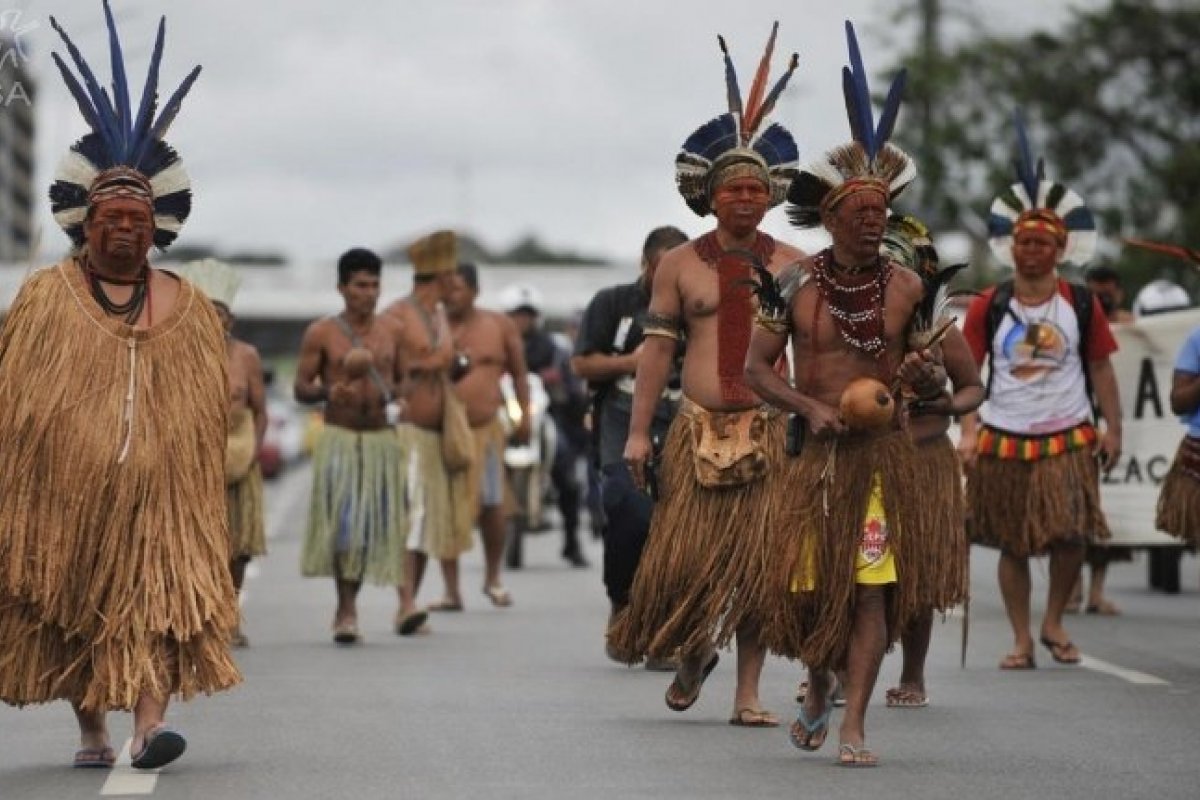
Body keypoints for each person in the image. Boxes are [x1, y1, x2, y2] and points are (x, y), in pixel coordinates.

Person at [0, 6, 236, 770]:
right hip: (69, 496)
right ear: (85, 223)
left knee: (159, 607)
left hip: (163, 500)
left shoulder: (193, 309)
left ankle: (147, 728)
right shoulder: (43, 299)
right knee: (79, 610)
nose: (125, 229)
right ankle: (95, 730)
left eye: (138, 217)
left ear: (157, 224)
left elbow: (210, 407)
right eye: (111, 217)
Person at [745, 21, 929, 766]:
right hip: (810, 462)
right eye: (860, 210)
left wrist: (926, 378)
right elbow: (758, 370)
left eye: (881, 209)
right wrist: (809, 405)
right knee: (803, 597)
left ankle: (853, 724)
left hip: (876, 467)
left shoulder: (909, 285)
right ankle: (817, 684)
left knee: (871, 595)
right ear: (831, 217)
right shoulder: (794, 283)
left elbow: (933, 366)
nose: (873, 218)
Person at [609, 23, 803, 729]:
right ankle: (694, 651)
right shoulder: (680, 264)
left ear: (769, 196)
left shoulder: (793, 266)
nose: (745, 199)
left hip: (769, 430)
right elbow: (655, 353)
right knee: (690, 566)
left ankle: (748, 694)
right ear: (711, 196)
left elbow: (807, 351)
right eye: (733, 190)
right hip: (694, 432)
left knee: (757, 570)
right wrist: (637, 435)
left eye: (756, 189)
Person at [958, 113, 1122, 672]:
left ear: (1059, 249)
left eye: (1042, 243)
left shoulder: (1081, 303)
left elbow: (1101, 369)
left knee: (1072, 532)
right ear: (1011, 247)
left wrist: (1113, 428)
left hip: (1070, 431)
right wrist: (971, 430)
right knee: (1012, 542)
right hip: (1005, 433)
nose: (1032, 251)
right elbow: (968, 373)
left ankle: (1055, 620)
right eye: (1023, 241)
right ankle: (1022, 637)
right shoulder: (989, 302)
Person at [571, 225, 689, 670]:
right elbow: (582, 363)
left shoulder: (697, 303)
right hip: (622, 416)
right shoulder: (613, 304)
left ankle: (665, 631)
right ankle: (623, 603)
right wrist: (633, 361)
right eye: (661, 270)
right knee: (627, 508)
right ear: (646, 264)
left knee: (676, 520)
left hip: (683, 416)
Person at [878, 216, 983, 709]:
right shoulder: (846, 321)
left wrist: (944, 404)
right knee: (852, 569)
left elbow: (972, 388)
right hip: (863, 456)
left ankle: (913, 676)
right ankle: (834, 667)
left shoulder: (936, 327)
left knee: (915, 573)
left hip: (924, 459)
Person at [295, 248, 409, 645]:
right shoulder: (321, 332)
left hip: (380, 440)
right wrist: (330, 391)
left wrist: (398, 396)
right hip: (340, 439)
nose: (370, 293)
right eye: (361, 285)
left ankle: (372, 603)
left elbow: (404, 381)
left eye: (375, 285)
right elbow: (300, 387)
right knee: (345, 528)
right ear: (342, 287)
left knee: (370, 529)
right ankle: (346, 610)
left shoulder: (393, 330)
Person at [384, 230, 476, 625]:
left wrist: (454, 363)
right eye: (453, 275)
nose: (458, 283)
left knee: (426, 523)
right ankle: (404, 603)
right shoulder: (396, 315)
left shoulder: (437, 315)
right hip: (407, 431)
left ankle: (411, 603)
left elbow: (444, 362)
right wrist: (426, 365)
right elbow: (385, 370)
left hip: (436, 432)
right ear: (439, 277)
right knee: (412, 518)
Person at [181, 259, 268, 649]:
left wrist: (251, 453)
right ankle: (198, 617)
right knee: (196, 546)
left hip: (240, 460)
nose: (213, 321)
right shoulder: (179, 355)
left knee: (238, 548)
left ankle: (229, 615)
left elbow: (260, 410)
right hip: (193, 464)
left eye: (219, 314)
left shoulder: (247, 356)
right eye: (205, 313)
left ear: (230, 320)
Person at [438, 262, 532, 610]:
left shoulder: (499, 325)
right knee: (447, 507)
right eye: (446, 289)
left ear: (474, 291)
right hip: (444, 430)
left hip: (486, 428)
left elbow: (520, 374)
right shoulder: (433, 326)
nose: (450, 296)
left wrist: (525, 414)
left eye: (457, 288)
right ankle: (451, 590)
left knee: (492, 505)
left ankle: (493, 577)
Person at [1060, 265, 1135, 615]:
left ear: (1119, 291)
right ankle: (1071, 590)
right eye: (1096, 288)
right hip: (1075, 425)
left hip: (1110, 424)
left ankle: (1095, 592)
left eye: (1109, 288)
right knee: (1070, 513)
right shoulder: (1074, 316)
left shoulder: (1129, 324)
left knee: (1102, 514)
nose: (1103, 294)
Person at [503, 284, 591, 567]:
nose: (522, 320)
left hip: (545, 417)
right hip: (504, 417)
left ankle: (572, 542)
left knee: (566, 469)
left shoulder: (553, 349)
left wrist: (562, 386)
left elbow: (572, 386)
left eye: (527, 315)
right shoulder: (497, 345)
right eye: (517, 314)